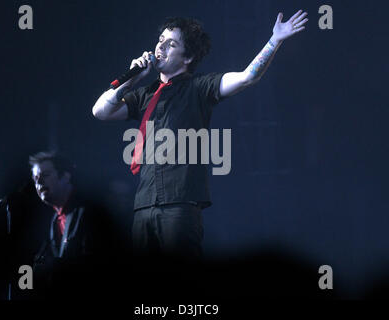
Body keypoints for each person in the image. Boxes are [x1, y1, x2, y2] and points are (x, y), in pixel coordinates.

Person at [92, 12, 308, 259]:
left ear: (188, 57)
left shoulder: (200, 87)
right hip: (144, 204)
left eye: (171, 44)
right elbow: (100, 111)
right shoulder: (145, 93)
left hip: (180, 204)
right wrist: (131, 80)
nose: (160, 46)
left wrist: (275, 39)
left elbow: (248, 76)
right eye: (160, 40)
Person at [29, 151, 124, 298]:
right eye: (35, 178)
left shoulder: (90, 211)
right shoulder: (55, 219)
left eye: (45, 175)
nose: (39, 182)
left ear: (66, 176)